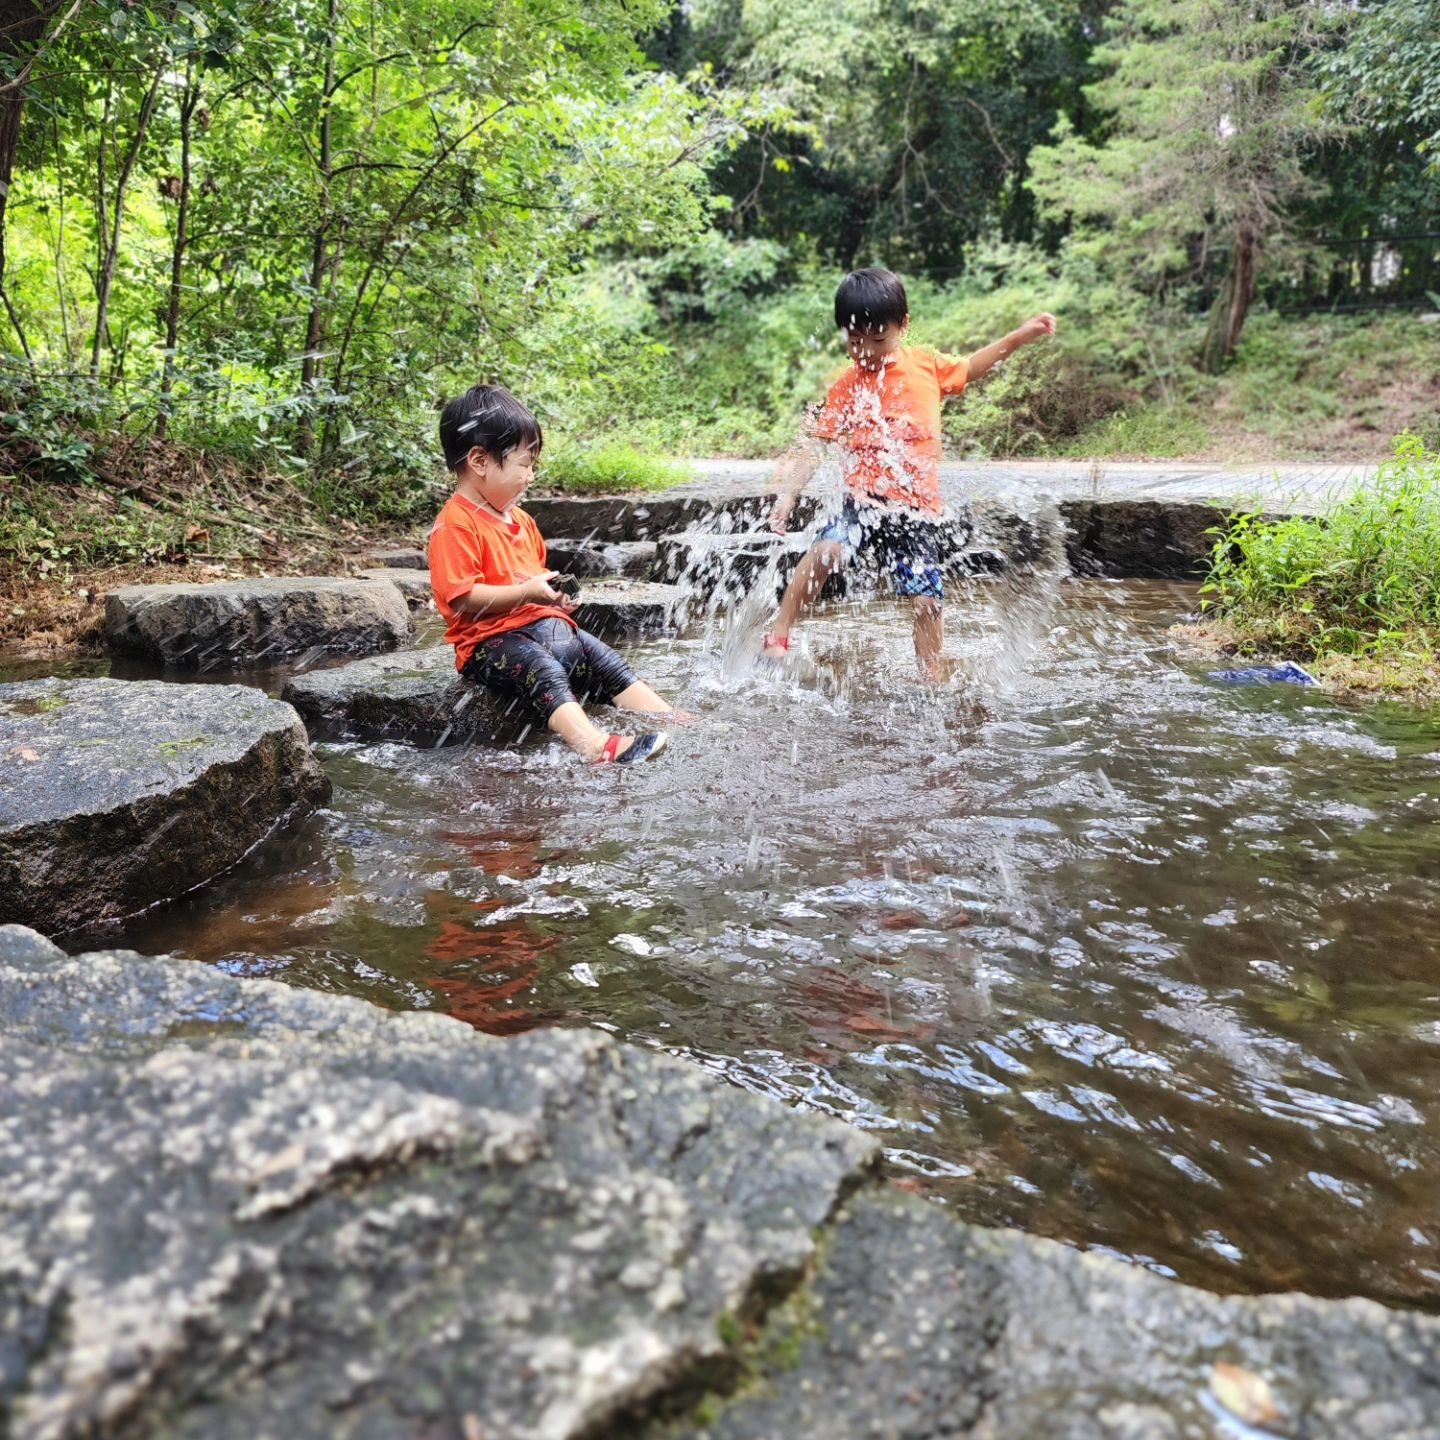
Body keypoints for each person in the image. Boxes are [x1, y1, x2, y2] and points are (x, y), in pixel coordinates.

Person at [764, 267, 1056, 680]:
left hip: (915, 512)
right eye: (853, 341)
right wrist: (789, 495)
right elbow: (815, 446)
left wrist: (1018, 338)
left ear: (904, 326)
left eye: (878, 339)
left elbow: (972, 367)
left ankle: (930, 675)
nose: (865, 351)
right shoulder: (847, 386)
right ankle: (778, 636)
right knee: (826, 552)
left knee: (927, 602)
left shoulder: (927, 366)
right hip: (860, 503)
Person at [429, 383, 675, 764]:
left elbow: (534, 575)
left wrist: (555, 595)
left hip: (542, 627)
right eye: (525, 464)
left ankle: (668, 718)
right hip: (491, 644)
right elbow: (462, 599)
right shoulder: (455, 525)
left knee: (603, 657)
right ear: (479, 461)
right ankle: (595, 746)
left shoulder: (522, 520)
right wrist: (527, 592)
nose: (531, 476)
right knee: (543, 670)